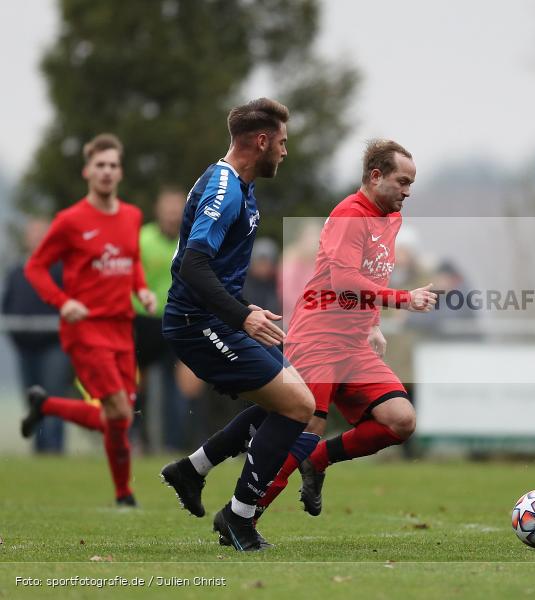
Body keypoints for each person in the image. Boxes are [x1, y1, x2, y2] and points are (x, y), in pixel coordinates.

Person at [165, 139, 437, 524]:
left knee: (400, 420)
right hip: (320, 335)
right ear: (376, 177)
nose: (408, 191)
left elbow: (372, 270)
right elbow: (344, 279)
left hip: (354, 341)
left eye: (411, 183)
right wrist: (403, 299)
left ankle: (312, 461)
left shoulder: (391, 218)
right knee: (301, 421)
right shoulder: (350, 215)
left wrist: (373, 322)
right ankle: (243, 515)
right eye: (402, 181)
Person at [159, 98, 316, 552]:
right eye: (282, 142)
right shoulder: (225, 189)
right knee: (296, 406)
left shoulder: (240, 185)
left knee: (289, 399)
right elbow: (192, 264)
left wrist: (244, 308)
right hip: (196, 324)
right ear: (262, 141)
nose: (285, 152)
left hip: (217, 318)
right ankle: (238, 518)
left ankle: (192, 470)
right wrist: (242, 314)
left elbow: (216, 268)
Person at [21, 134, 156, 506]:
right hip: (86, 330)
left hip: (121, 328)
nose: (107, 171)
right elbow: (35, 268)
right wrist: (63, 302)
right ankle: (125, 496)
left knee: (119, 419)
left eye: (113, 165)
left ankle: (46, 407)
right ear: (87, 171)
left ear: (120, 171)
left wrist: (142, 290)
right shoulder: (70, 221)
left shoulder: (132, 216)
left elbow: (131, 262)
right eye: (100, 165)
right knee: (119, 411)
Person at [132, 187, 193, 450]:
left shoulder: (192, 239)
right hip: (143, 322)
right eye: (167, 209)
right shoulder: (142, 239)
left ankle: (173, 445)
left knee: (179, 387)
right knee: (137, 385)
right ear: (158, 210)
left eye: (176, 209)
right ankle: (136, 439)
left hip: (178, 321)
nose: (172, 215)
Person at [3, 217, 70, 453]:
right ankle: (40, 450)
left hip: (54, 345)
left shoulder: (61, 269)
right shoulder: (16, 272)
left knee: (52, 397)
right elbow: (8, 307)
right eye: (33, 233)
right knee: (33, 402)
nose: (37, 238)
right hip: (24, 347)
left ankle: (53, 449)